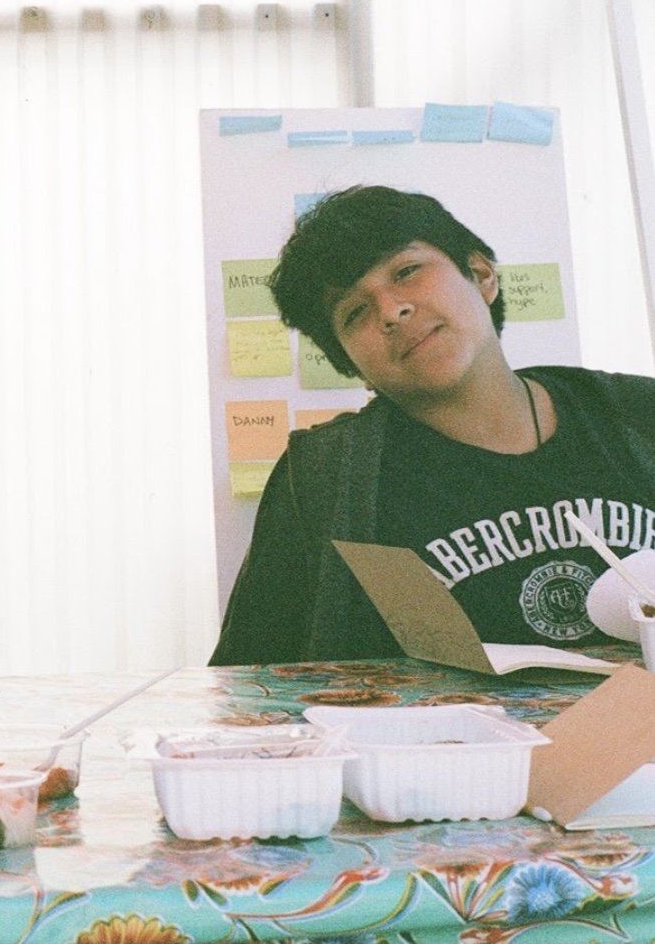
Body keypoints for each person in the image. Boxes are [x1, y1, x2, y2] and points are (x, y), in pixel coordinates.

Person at [211, 184, 655, 665]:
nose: (391, 311)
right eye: (356, 311)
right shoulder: (323, 478)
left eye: (407, 272)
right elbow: (249, 678)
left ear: (481, 275)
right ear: (352, 365)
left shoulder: (637, 413)